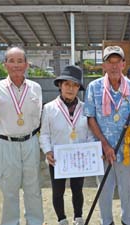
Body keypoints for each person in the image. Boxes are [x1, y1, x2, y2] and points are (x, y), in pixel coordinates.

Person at [0, 46, 44, 225]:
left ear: (27, 64)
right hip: (5, 143)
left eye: (20, 61)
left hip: (30, 142)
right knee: (9, 189)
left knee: (33, 187)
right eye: (12, 61)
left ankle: (35, 221)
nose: (16, 65)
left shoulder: (35, 88)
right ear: (5, 64)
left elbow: (38, 118)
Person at [83, 45, 130, 225]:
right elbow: (90, 118)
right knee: (104, 190)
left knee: (127, 190)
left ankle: (127, 221)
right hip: (102, 150)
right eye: (110, 62)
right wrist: (105, 145)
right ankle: (106, 221)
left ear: (124, 64)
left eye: (118, 62)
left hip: (126, 150)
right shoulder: (94, 87)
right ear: (104, 66)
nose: (114, 66)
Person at [39, 65, 94, 225]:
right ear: (60, 85)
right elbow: (44, 134)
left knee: (78, 189)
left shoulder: (85, 108)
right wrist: (48, 151)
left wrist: (90, 150)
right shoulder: (49, 108)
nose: (70, 89)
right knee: (58, 191)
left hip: (78, 158)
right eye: (67, 84)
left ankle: (78, 217)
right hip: (57, 158)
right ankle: (62, 219)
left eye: (75, 85)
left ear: (79, 88)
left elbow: (90, 134)